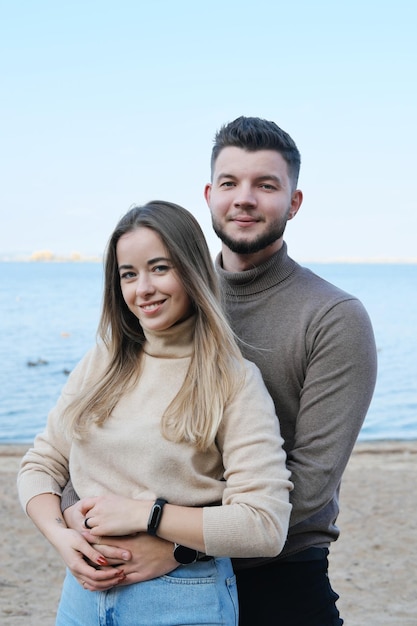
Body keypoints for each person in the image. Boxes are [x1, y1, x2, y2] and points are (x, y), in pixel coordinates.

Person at [60, 117, 378, 625]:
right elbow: (104, 427)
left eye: (266, 185)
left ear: (294, 203)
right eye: (230, 183)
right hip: (152, 577)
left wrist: (182, 549)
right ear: (209, 196)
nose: (244, 198)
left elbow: (310, 486)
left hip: (278, 576)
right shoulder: (166, 295)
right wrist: (78, 515)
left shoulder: (333, 318)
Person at [17, 200, 293, 626]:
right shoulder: (101, 362)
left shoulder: (234, 380)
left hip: (184, 597)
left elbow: (264, 525)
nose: (142, 289)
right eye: (128, 274)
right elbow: (39, 465)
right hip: (81, 600)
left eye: (159, 268)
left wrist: (148, 515)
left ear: (192, 271)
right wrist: (61, 537)